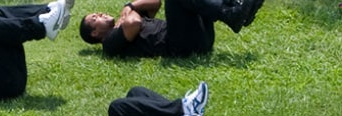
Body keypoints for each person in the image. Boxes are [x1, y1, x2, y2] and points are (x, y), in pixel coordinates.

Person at [80, 0, 259, 57]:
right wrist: (130, 13)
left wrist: (130, 5)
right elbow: (134, 24)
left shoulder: (125, 18)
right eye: (95, 18)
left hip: (198, 37)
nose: (100, 13)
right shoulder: (109, 43)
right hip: (180, 46)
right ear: (95, 33)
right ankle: (233, 13)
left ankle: (235, 7)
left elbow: (155, 2)